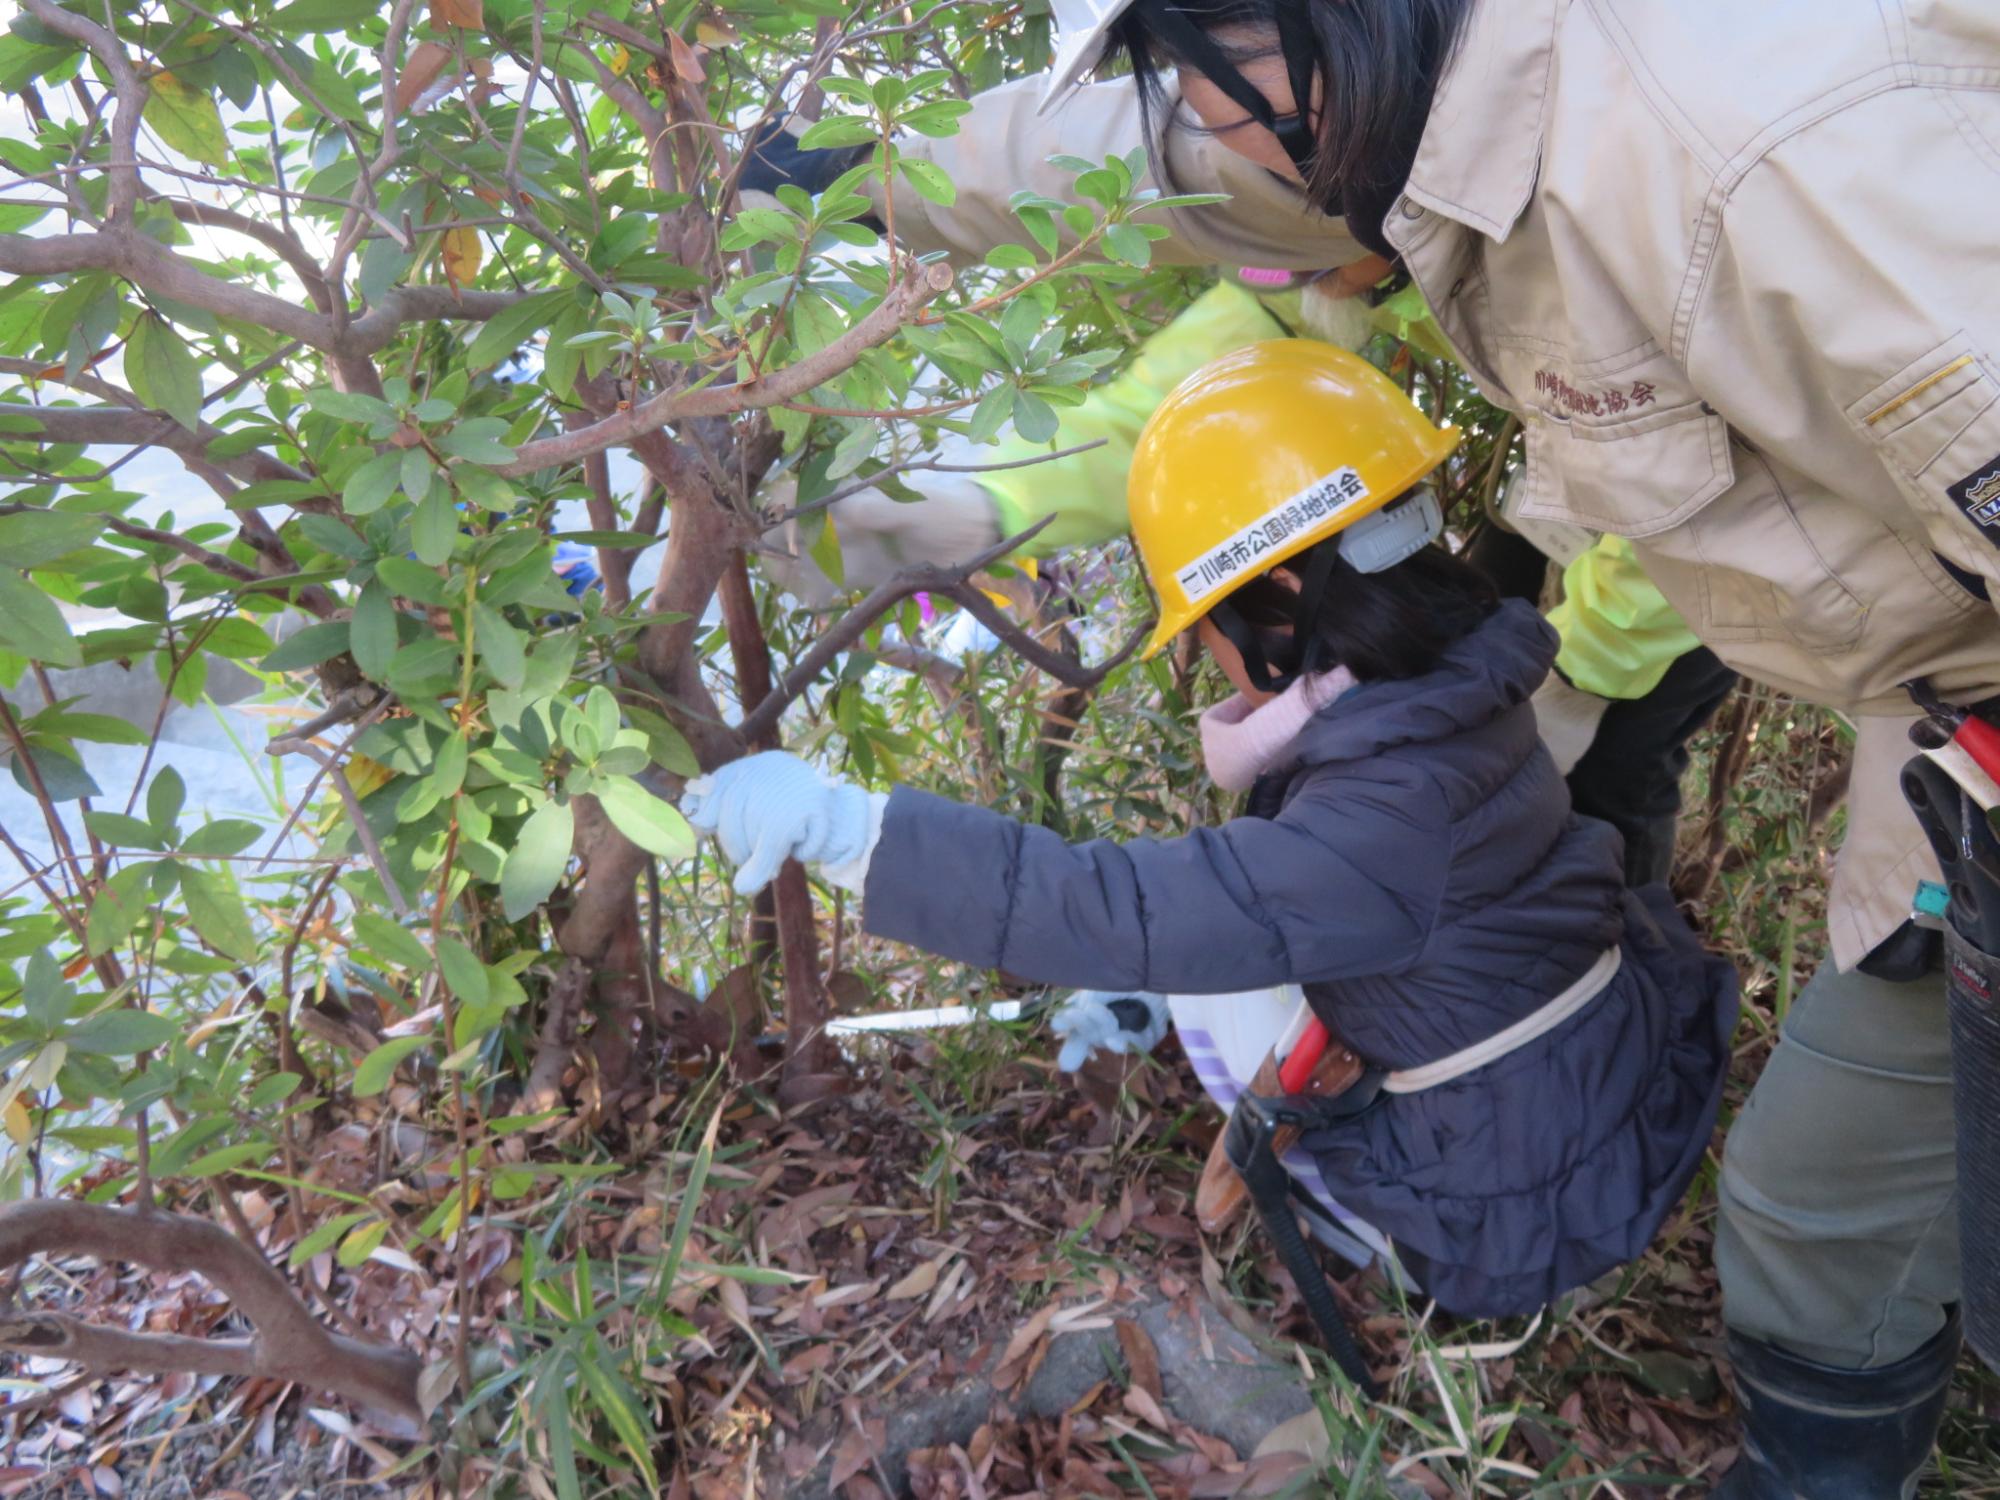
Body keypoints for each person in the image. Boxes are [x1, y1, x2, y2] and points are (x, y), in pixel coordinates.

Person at [824, 0, 2000, 1490]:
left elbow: (1129, 906)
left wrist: (848, 833)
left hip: (1938, 713)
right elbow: (1174, 201)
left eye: (1192, 69)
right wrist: (856, 176)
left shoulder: (1755, 160)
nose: (1194, 118)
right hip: (1910, 714)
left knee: (1837, 1182)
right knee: (1801, 1162)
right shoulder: (1402, 101)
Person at [683, 341, 1737, 1332]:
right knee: (1215, 950)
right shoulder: (1456, 695)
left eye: (1204, 620)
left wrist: (850, 832)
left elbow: (1123, 909)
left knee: (1203, 964)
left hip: (1522, 1207)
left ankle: (1375, 1241)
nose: (1204, 651)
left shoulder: (1380, 818)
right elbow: (1269, 898)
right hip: (1591, 1091)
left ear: (1280, 592)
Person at [758, 266, 1737, 887]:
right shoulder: (1312, 242)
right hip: (1579, 468)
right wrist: (986, 506)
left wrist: (1578, 674)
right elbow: (1186, 410)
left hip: (1722, 507)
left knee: (1606, 765)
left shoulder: (1577, 247)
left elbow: (1705, 507)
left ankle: (1613, 953)